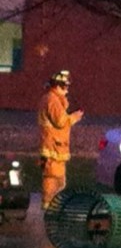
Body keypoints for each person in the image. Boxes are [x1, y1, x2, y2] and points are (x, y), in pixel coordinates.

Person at [38, 70, 84, 210]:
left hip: (56, 150)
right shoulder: (52, 100)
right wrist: (75, 116)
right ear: (57, 86)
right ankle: (50, 212)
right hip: (53, 150)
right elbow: (61, 121)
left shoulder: (54, 99)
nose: (67, 89)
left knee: (59, 183)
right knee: (53, 182)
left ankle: (53, 210)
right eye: (64, 86)